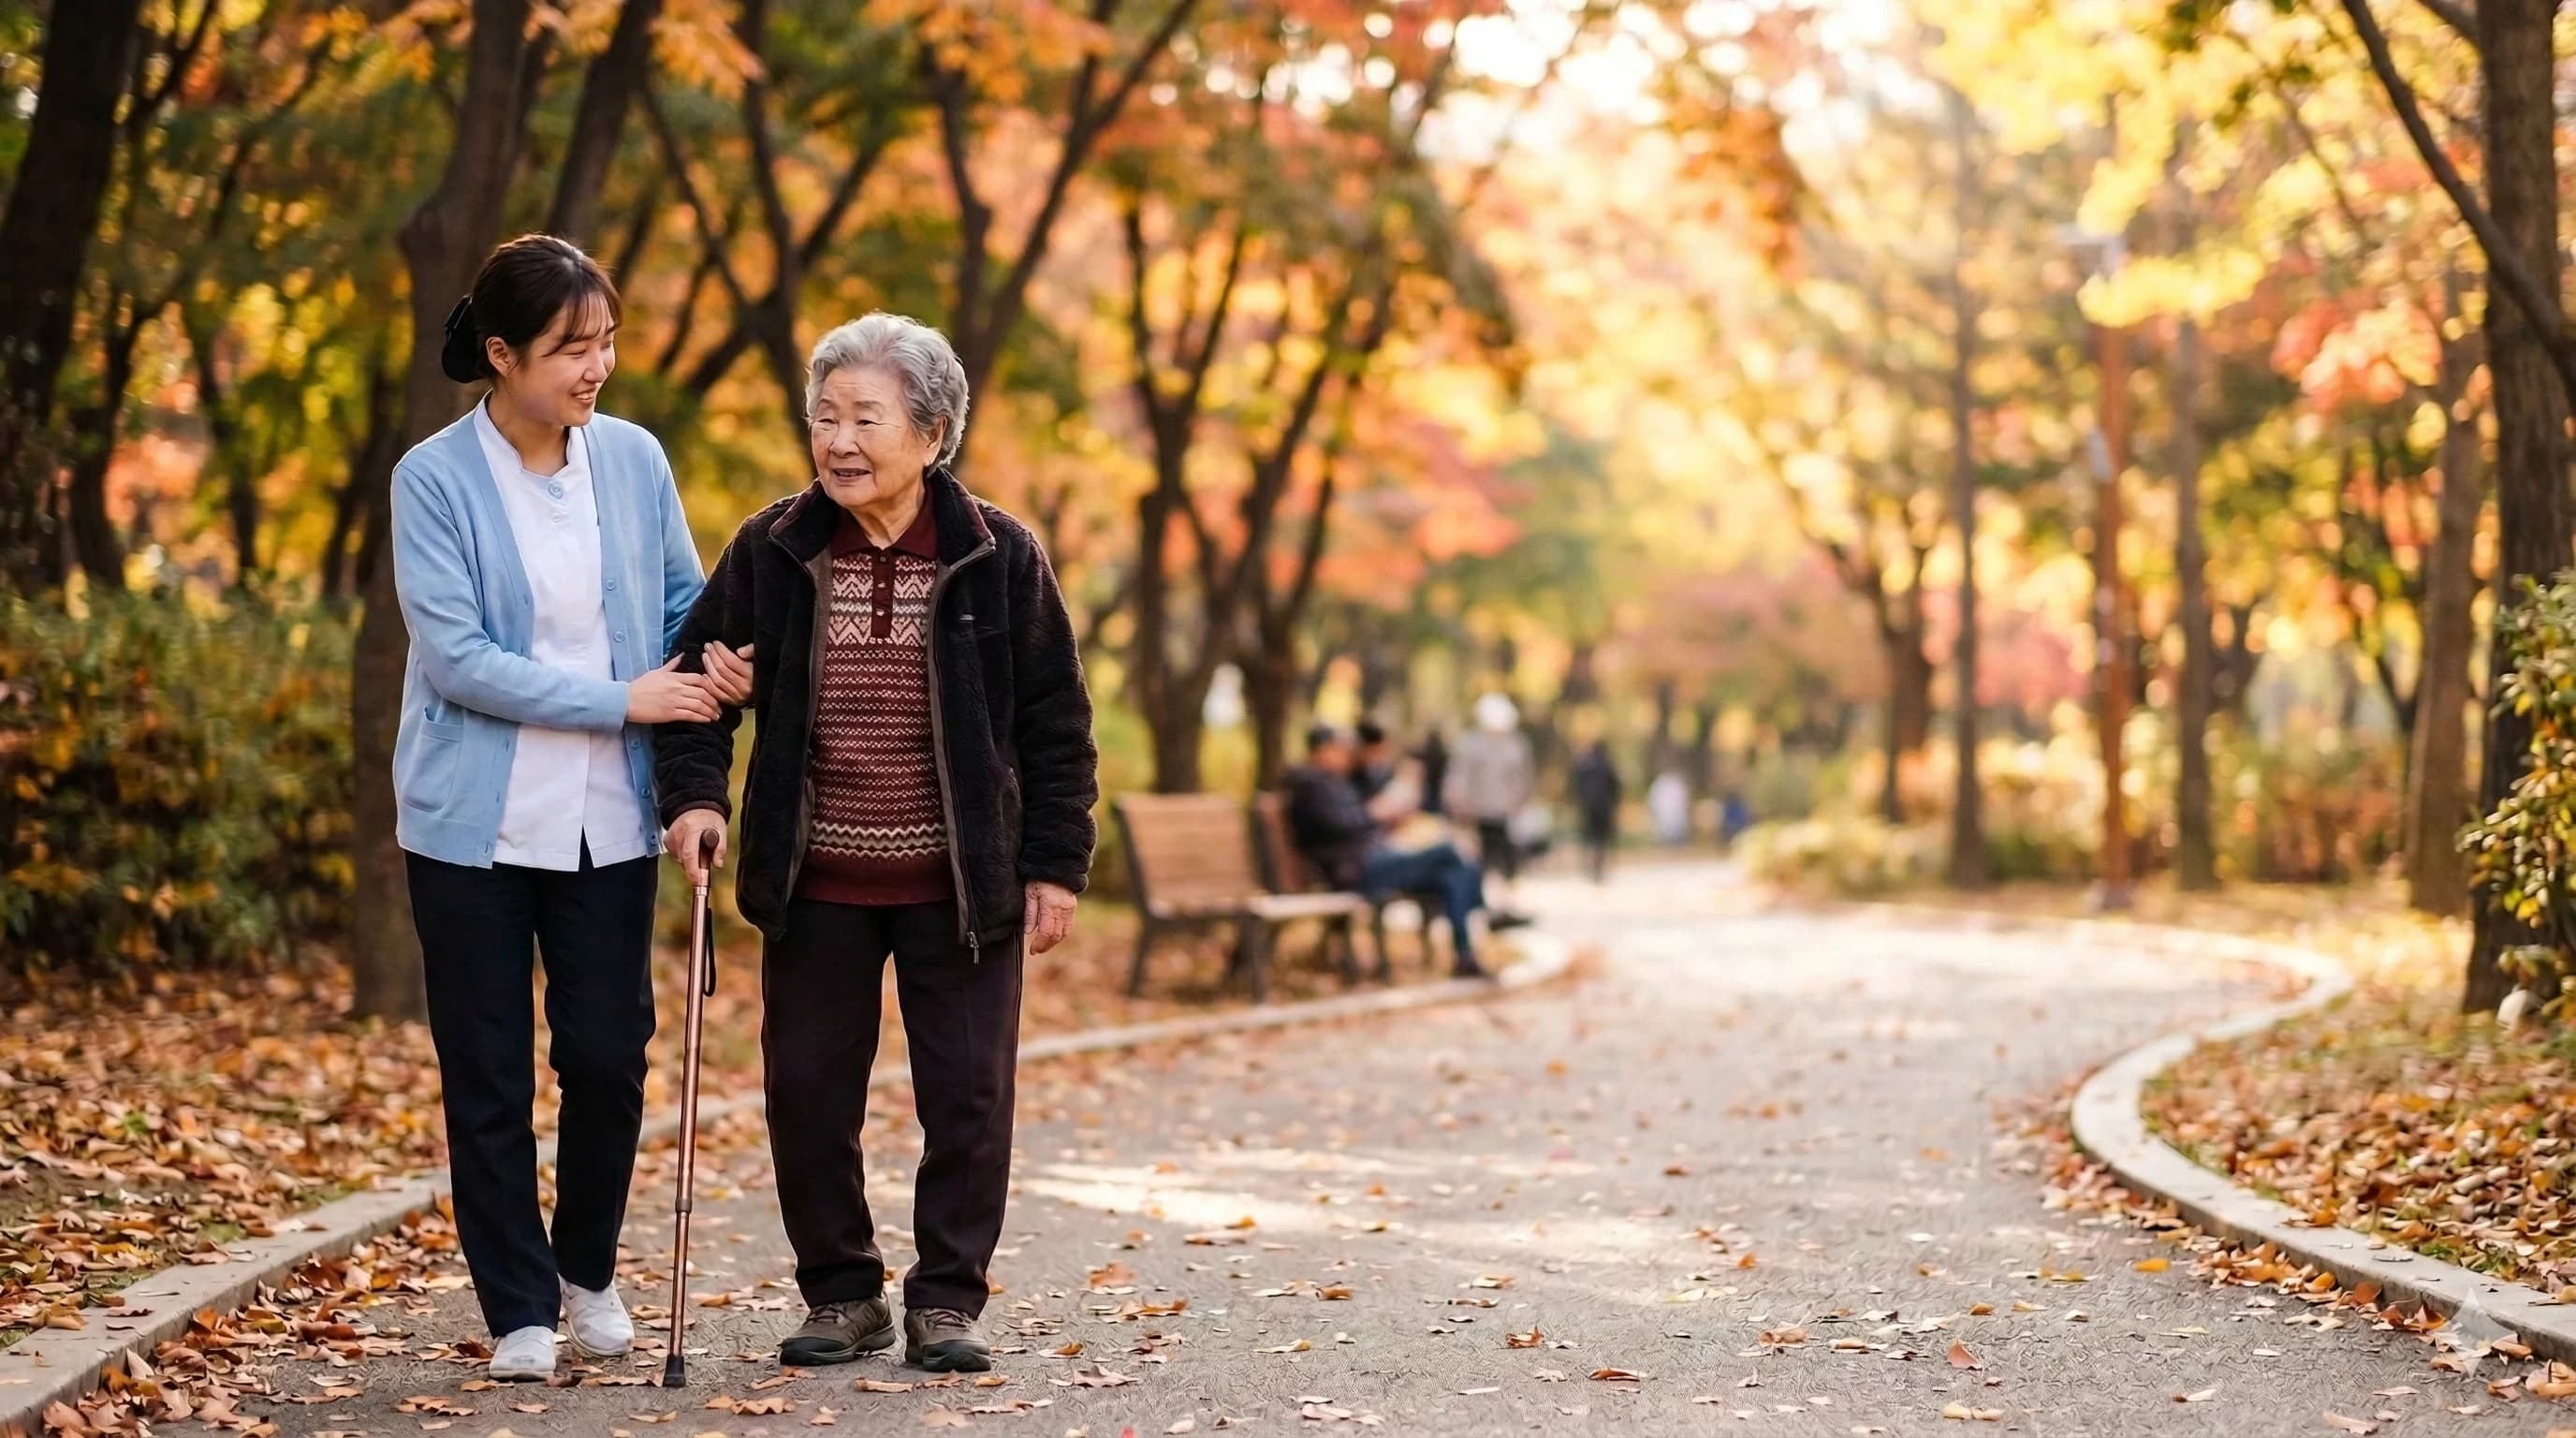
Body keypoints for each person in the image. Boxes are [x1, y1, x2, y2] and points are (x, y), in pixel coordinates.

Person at [656, 313, 1099, 1376]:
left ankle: (946, 1301)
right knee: (807, 1095)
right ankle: (843, 1293)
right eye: (825, 417)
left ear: (932, 432)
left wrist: (1055, 866)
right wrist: (696, 801)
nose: (839, 441)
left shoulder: (1000, 554)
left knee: (967, 1097)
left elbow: (1054, 721)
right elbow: (693, 688)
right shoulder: (774, 548)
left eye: (866, 418)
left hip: (962, 881)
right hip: (814, 879)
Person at [389, 234, 736, 1383]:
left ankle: (586, 1267)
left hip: (607, 820)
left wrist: (717, 665)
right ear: (501, 355)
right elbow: (459, 661)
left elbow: (684, 600)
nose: (598, 367)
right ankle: (518, 1306)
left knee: (606, 1056)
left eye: (607, 341)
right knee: (485, 1070)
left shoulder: (632, 459)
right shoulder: (432, 478)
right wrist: (623, 697)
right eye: (571, 348)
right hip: (469, 831)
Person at [1283, 725, 1520, 979]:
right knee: (1450, 852)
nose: (1345, 755)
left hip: (1369, 860)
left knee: (1458, 873)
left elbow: (1354, 819)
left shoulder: (1332, 782)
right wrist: (1376, 812)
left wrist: (1388, 815)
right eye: (1339, 750)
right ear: (1321, 751)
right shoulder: (1311, 784)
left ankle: (1465, 955)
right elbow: (1340, 825)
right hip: (1355, 869)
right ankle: (1483, 918)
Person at [1448, 693, 1535, 899]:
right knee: (1480, 859)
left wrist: (1521, 801)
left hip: (1507, 813)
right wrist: (1460, 803)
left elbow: (1524, 777)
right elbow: (1458, 776)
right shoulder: (1470, 743)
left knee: (1509, 858)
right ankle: (1481, 899)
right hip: (1477, 812)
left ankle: (1506, 900)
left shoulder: (1517, 744)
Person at [1572, 740, 1623, 884]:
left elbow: (1577, 785)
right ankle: (1597, 866)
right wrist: (1614, 803)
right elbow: (1615, 787)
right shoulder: (1607, 765)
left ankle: (1589, 865)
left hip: (1588, 807)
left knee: (1590, 837)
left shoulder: (1584, 766)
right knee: (1601, 838)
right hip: (1603, 807)